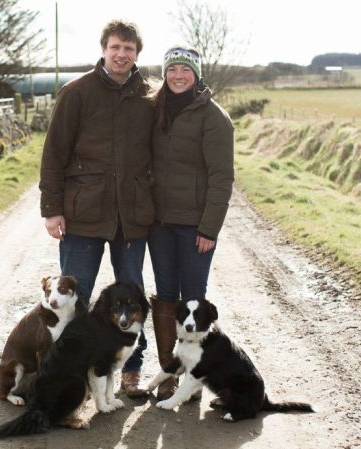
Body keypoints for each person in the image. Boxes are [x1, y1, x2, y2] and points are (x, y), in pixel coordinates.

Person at [39, 20, 155, 398]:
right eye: (116, 47)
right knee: (75, 298)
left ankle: (131, 371)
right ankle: (65, 375)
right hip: (83, 214)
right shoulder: (76, 93)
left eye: (129, 49)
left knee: (133, 297)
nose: (122, 54)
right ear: (104, 49)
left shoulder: (149, 96)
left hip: (131, 217)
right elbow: (54, 153)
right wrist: (52, 209)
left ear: (137, 53)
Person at [147, 46, 234, 399]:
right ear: (165, 73)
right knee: (166, 299)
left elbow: (222, 177)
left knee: (193, 300)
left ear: (196, 75)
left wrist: (209, 228)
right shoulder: (155, 110)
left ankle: (195, 377)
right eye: (172, 69)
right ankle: (168, 373)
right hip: (159, 224)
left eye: (185, 70)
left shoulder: (214, 118)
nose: (178, 75)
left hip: (195, 226)